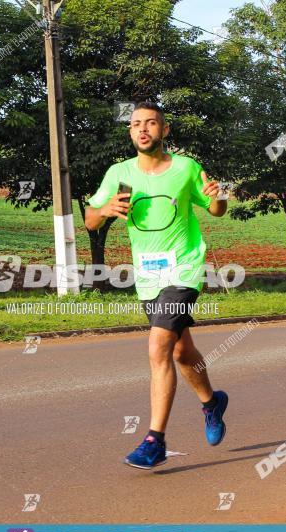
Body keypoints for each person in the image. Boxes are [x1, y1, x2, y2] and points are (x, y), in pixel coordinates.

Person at [85, 102, 229, 469]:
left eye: (151, 123)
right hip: (148, 275)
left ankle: (155, 441)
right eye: (136, 124)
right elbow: (89, 220)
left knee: (158, 348)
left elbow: (215, 209)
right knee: (181, 352)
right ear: (131, 132)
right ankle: (212, 403)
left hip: (183, 270)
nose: (143, 129)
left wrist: (219, 195)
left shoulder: (185, 168)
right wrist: (104, 212)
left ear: (165, 131)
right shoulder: (119, 173)